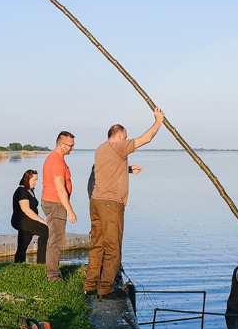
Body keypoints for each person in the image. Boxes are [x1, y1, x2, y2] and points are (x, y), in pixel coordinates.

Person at [82, 107, 165, 299]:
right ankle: (106, 289)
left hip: (96, 202)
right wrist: (158, 121)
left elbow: (107, 170)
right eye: (125, 137)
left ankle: (90, 286)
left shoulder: (101, 148)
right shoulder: (119, 147)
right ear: (119, 137)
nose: (127, 141)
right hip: (111, 204)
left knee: (98, 246)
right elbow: (146, 139)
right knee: (113, 248)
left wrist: (127, 169)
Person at [40, 131, 77, 282]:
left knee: (56, 238)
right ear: (61, 144)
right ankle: (53, 276)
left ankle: (54, 272)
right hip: (55, 203)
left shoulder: (57, 159)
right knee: (56, 240)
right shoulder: (56, 161)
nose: (72, 148)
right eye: (70, 145)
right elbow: (60, 189)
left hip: (54, 202)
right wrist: (70, 211)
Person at [11, 169, 50, 264]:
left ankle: (18, 264)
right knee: (44, 230)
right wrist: (42, 221)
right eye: (34, 180)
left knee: (23, 244)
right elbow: (26, 210)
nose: (36, 182)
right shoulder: (22, 191)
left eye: (37, 180)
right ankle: (41, 262)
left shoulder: (29, 190)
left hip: (27, 220)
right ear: (27, 179)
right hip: (21, 220)